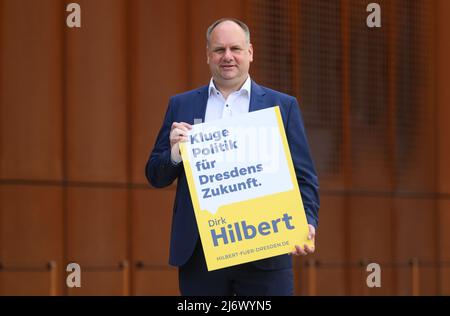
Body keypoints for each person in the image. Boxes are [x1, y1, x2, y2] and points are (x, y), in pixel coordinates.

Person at [146, 18, 319, 296]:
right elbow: (155, 174)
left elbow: (304, 177)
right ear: (207, 55)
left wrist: (306, 220)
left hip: (265, 249)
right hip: (201, 253)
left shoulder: (282, 106)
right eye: (219, 50)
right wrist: (175, 155)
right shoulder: (182, 105)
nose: (227, 57)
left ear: (250, 52)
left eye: (235, 49)